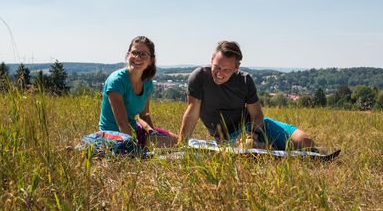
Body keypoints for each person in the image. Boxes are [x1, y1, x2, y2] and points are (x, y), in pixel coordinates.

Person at [179, 41, 315, 150]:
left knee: (306, 142)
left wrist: (254, 132)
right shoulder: (199, 77)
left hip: (256, 125)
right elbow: (192, 113)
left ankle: (267, 147)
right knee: (248, 146)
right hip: (228, 136)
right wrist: (181, 145)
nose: (220, 74)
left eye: (226, 70)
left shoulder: (245, 80)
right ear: (212, 59)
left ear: (236, 68)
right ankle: (268, 148)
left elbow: (257, 114)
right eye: (217, 67)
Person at [99, 36, 178, 147]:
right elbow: (122, 123)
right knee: (165, 144)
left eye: (143, 54)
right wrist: (134, 147)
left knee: (178, 141)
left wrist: (151, 132)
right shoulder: (116, 81)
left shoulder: (147, 83)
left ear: (151, 60)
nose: (137, 57)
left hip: (134, 130)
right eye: (134, 52)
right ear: (128, 55)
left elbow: (144, 115)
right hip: (113, 135)